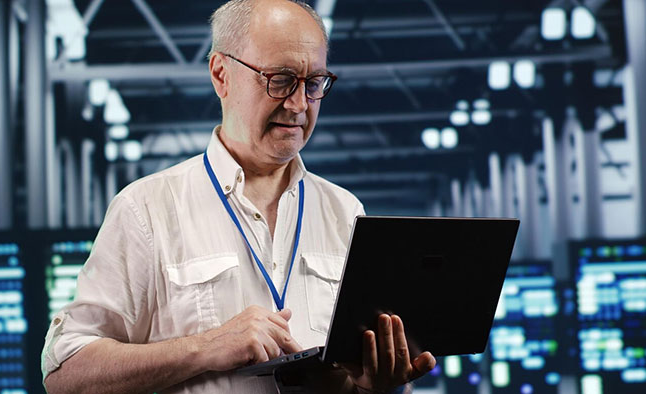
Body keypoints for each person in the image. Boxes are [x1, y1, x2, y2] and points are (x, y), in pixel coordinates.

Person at [41, 1, 435, 393]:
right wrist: (206, 347)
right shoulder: (147, 210)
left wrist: (375, 386)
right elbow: (65, 374)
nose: (299, 105)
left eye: (313, 83)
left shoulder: (344, 213)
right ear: (221, 75)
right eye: (280, 79)